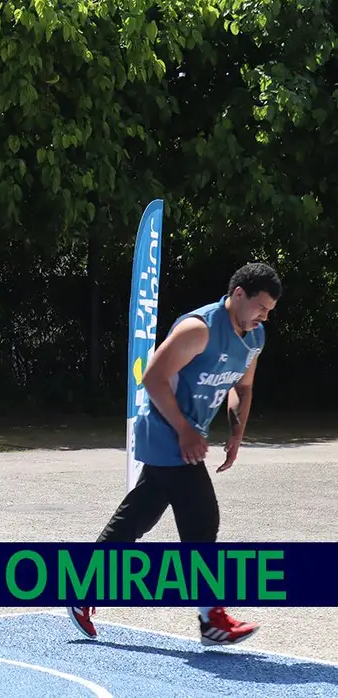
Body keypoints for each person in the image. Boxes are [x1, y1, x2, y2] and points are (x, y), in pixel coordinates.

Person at [68, 262, 282, 646]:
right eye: (261, 307)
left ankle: (82, 590)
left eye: (269, 310)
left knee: (137, 518)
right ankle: (211, 618)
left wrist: (236, 433)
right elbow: (151, 377)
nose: (264, 316)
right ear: (237, 295)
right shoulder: (198, 329)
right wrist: (185, 431)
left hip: (188, 436)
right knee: (202, 519)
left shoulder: (254, 337)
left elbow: (242, 387)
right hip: (167, 434)